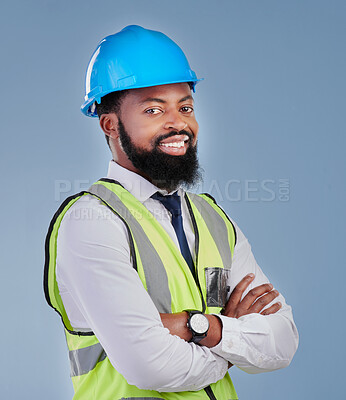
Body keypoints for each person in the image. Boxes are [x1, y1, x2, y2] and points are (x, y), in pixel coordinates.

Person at [44, 25, 298, 400]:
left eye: (185, 107)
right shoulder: (90, 222)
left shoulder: (213, 219)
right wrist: (230, 338)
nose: (178, 122)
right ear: (110, 124)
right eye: (153, 109)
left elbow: (282, 343)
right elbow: (149, 365)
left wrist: (198, 327)